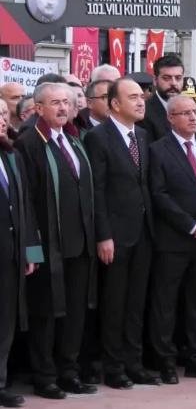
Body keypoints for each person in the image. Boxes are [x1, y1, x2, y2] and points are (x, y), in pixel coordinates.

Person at [14, 83, 98, 399]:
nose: (63, 108)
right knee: (46, 314)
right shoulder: (28, 144)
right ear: (38, 108)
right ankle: (44, 375)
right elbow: (27, 201)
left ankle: (69, 370)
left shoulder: (75, 141)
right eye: (55, 103)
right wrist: (32, 248)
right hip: (49, 245)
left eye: (66, 102)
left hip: (79, 244)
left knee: (76, 312)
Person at [83, 78, 159, 389]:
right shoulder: (98, 138)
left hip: (143, 232)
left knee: (136, 303)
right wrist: (104, 235)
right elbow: (96, 191)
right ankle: (113, 367)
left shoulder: (141, 136)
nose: (141, 102)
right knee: (114, 304)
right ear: (115, 104)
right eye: (133, 97)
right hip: (115, 235)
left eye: (142, 97)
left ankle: (134, 362)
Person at [148, 95, 196, 384]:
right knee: (166, 302)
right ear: (170, 118)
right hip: (175, 240)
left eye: (195, 112)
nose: (193, 118)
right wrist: (191, 225)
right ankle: (165, 359)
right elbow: (160, 195)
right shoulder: (158, 150)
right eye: (185, 113)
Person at [0, 110, 42, 409]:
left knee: (5, 321)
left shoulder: (11, 155)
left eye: (3, 114)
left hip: (12, 254)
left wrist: (32, 252)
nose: (2, 120)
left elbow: (26, 206)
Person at [137, 55, 185, 141]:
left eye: (178, 78)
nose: (173, 83)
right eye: (167, 78)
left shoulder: (193, 112)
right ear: (155, 80)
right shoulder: (143, 113)